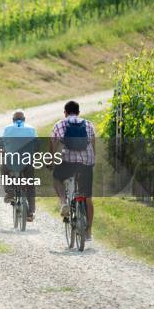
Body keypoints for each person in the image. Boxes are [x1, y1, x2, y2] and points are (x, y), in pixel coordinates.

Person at [50, 100, 95, 240]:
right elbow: (93, 144)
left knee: (56, 178)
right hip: (86, 164)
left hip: (68, 163)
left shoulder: (59, 124)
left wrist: (51, 160)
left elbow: (53, 143)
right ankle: (88, 231)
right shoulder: (88, 124)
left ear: (65, 113)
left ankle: (64, 202)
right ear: (79, 112)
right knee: (87, 197)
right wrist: (93, 160)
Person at [0, 109, 38, 222]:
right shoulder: (31, 129)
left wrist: (2, 152)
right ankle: (30, 212)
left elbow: (1, 143)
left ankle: (9, 190)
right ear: (24, 120)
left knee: (3, 169)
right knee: (30, 184)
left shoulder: (7, 129)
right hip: (27, 162)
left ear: (13, 120)